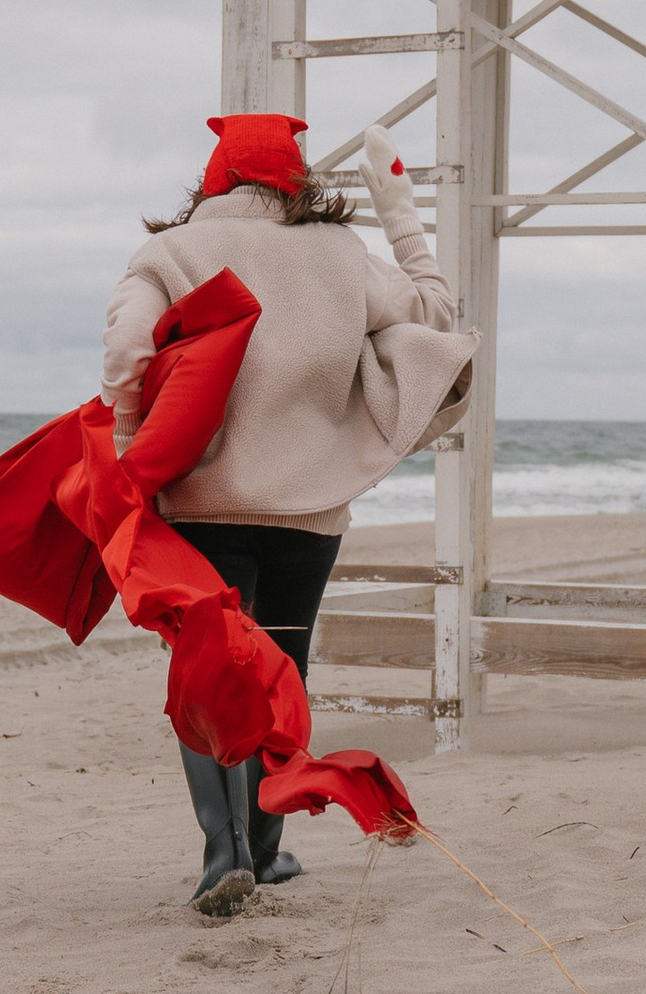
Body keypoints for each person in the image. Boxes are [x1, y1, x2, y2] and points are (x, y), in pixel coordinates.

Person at [102, 112, 473, 914]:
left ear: (213, 181)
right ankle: (266, 856)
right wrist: (401, 212)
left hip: (201, 507)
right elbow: (436, 319)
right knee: (283, 670)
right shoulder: (343, 255)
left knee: (207, 676)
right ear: (295, 184)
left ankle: (223, 854)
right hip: (308, 515)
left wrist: (133, 454)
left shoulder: (172, 253)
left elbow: (129, 350)